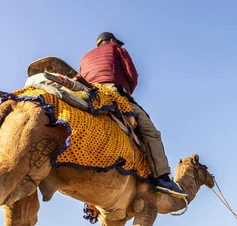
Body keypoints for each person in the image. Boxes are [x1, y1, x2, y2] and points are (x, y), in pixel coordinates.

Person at [79, 32, 187, 198]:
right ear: (112, 41)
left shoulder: (84, 58)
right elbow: (132, 76)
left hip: (90, 95)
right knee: (151, 133)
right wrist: (126, 92)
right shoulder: (117, 49)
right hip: (112, 93)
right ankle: (163, 178)